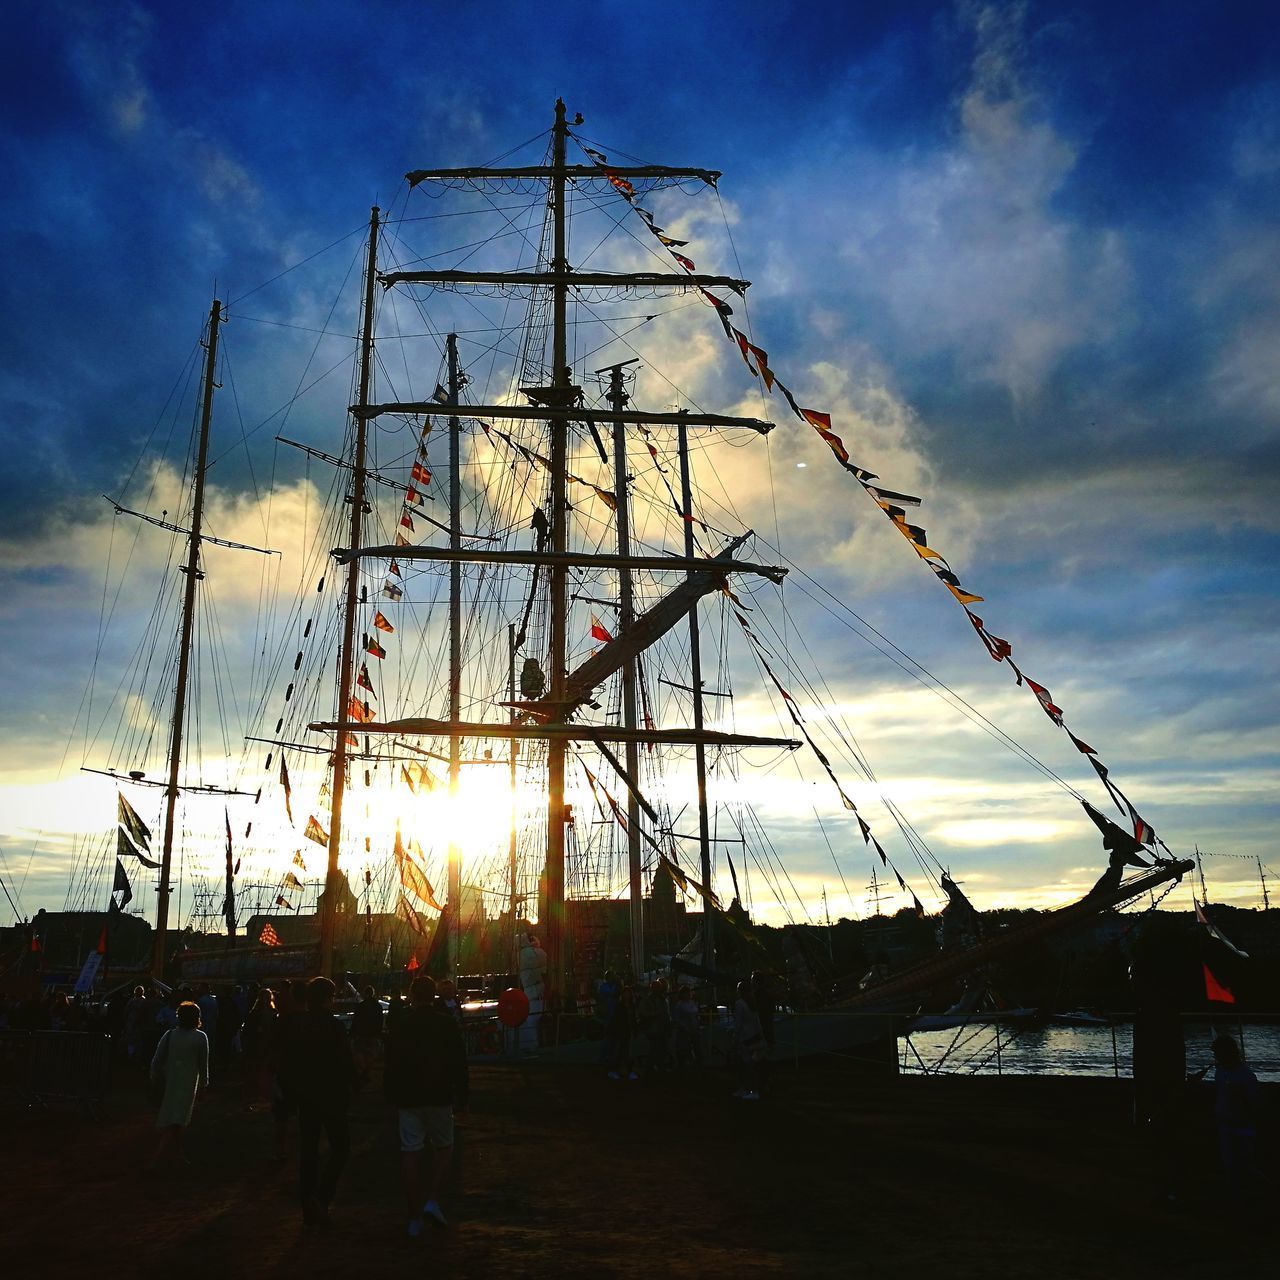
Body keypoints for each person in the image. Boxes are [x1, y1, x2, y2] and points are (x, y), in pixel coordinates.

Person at [384, 974, 469, 1238]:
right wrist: (462, 1096)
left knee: (410, 1153)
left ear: (411, 995)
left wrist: (390, 1097)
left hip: (409, 1096)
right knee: (444, 1147)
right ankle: (432, 1198)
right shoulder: (447, 1024)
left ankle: (413, 1218)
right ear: (433, 995)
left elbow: (392, 1063)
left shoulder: (402, 1024)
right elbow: (459, 1062)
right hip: (439, 1094)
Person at [282, 976, 357, 1227]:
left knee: (309, 1150)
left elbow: (288, 1062)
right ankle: (322, 1198)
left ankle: (308, 1202)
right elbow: (345, 1061)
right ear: (328, 998)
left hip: (306, 1096)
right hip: (332, 1095)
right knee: (341, 1147)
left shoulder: (298, 1025)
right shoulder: (333, 1027)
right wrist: (356, 1081)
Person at [150, 999, 210, 1167]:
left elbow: (156, 1061)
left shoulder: (169, 1035)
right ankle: (156, 1159)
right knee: (177, 1122)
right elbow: (203, 1064)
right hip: (188, 1084)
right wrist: (204, 1085)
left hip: (170, 1082)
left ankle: (178, 1155)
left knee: (174, 1120)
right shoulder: (200, 1037)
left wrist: (155, 1078)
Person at [1210, 1034, 1259, 1193]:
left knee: (1244, 1164)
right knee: (1229, 1164)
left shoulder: (1246, 1076)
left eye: (1218, 1054)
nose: (1216, 1057)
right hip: (1224, 1125)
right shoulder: (1220, 1072)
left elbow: (1254, 1104)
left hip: (1242, 1126)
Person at [732, 979, 766, 1101]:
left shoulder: (739, 1004)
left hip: (745, 1038)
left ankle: (749, 1090)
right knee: (752, 1065)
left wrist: (735, 1038)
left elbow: (738, 1024)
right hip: (754, 1036)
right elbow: (757, 1021)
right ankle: (749, 1090)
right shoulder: (752, 1002)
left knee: (745, 1066)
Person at [350, 985, 384, 1086]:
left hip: (362, 1033)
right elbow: (380, 1020)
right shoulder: (378, 1006)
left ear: (365, 993)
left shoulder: (361, 1006)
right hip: (373, 1034)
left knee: (359, 1052)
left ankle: (364, 1072)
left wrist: (353, 1032)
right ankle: (367, 1073)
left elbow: (356, 1020)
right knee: (371, 1055)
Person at [638, 980, 672, 1075]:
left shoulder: (661, 999)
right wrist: (655, 1014)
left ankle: (657, 1067)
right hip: (653, 1028)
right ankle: (651, 1068)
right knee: (655, 1049)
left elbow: (666, 1014)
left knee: (661, 1049)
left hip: (661, 1028)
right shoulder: (649, 999)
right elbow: (642, 1012)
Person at [606, 985, 639, 1081]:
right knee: (625, 1052)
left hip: (627, 1031)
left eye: (628, 993)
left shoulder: (630, 1006)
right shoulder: (621, 1006)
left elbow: (633, 1020)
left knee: (623, 1052)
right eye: (625, 993)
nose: (627, 995)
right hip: (622, 1031)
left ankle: (615, 1070)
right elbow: (616, 1020)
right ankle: (628, 1071)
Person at [672, 985, 701, 1069]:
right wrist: (684, 1027)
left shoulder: (692, 1003)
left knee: (696, 1049)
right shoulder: (679, 1005)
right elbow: (677, 1020)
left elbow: (696, 1015)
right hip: (684, 1032)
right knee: (685, 1050)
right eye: (687, 992)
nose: (689, 994)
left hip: (694, 1030)